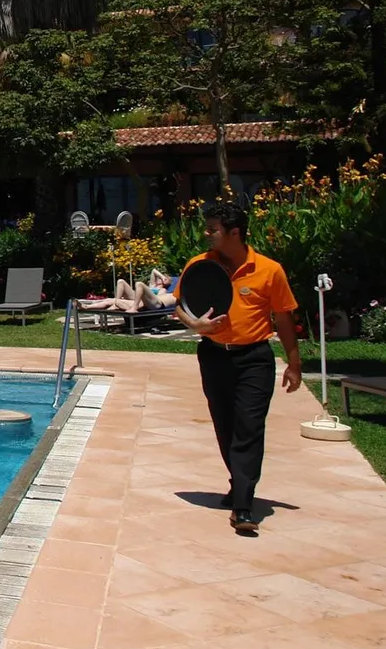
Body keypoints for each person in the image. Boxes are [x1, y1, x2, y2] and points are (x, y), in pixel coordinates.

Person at [173, 201, 301, 535]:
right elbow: (180, 306)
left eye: (212, 229)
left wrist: (294, 363)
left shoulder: (269, 270)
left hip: (254, 359)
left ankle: (243, 505)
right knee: (225, 425)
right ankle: (239, 483)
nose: (207, 234)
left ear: (235, 232)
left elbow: (283, 318)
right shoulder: (199, 265)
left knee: (249, 427)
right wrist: (196, 325)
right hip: (214, 356)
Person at [78, 269, 176, 312]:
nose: (159, 279)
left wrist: (165, 280)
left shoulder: (162, 290)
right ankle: (86, 307)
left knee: (139, 284)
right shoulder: (152, 285)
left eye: (163, 279)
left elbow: (156, 299)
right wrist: (162, 276)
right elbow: (154, 271)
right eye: (159, 278)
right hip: (138, 300)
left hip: (149, 303)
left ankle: (134, 308)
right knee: (112, 298)